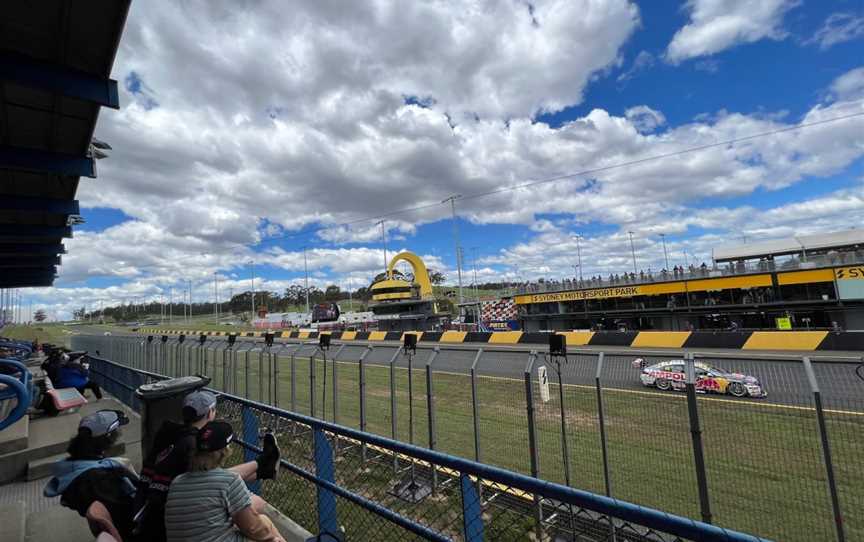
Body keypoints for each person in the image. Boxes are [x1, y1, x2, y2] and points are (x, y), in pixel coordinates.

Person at [136, 390, 280, 541]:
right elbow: (213, 481)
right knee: (258, 507)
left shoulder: (173, 434)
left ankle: (264, 468)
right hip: (169, 520)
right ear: (210, 412)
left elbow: (209, 478)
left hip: (155, 512)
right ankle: (264, 463)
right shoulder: (191, 442)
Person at [164, 420, 286, 542]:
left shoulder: (177, 482)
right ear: (224, 451)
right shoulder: (229, 481)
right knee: (265, 523)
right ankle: (265, 465)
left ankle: (264, 466)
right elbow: (253, 528)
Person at [44, 409, 138, 542]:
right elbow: (125, 511)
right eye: (117, 431)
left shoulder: (77, 464)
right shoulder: (96, 477)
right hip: (131, 530)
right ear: (109, 437)